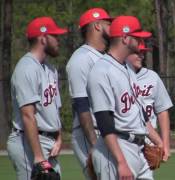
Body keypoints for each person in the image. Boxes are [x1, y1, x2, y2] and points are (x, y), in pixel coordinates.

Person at [87, 15, 163, 180]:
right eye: (136, 37)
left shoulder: (128, 68)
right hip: (117, 150)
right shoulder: (101, 71)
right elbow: (104, 120)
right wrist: (121, 162)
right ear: (125, 38)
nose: (140, 42)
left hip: (138, 148)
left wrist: (157, 140)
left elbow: (140, 112)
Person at [6, 16, 67, 180]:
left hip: (48, 142)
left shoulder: (50, 69)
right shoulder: (26, 68)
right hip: (28, 142)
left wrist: (59, 138)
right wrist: (38, 156)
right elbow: (27, 115)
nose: (58, 40)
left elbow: (55, 109)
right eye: (55, 36)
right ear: (43, 37)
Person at [66, 7, 113, 179]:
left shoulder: (106, 57)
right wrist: (94, 145)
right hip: (90, 133)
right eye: (109, 23)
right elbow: (81, 104)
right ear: (97, 26)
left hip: (107, 131)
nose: (112, 26)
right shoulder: (81, 59)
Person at [126, 42, 173, 161]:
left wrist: (165, 146)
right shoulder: (118, 75)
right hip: (126, 139)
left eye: (142, 52)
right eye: (137, 52)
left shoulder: (152, 77)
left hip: (149, 140)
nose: (141, 55)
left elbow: (163, 111)